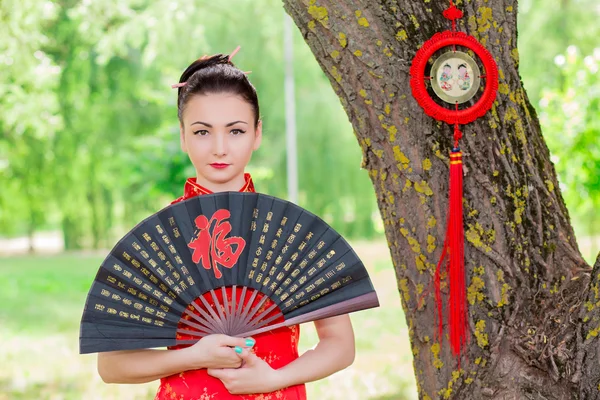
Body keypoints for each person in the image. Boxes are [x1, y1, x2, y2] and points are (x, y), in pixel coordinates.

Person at [97, 47, 356, 400]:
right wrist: (193, 356)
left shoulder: (290, 233)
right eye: (203, 132)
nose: (219, 148)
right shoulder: (160, 240)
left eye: (235, 131)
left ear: (256, 133)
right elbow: (111, 366)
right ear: (182, 135)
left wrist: (272, 380)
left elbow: (340, 345)